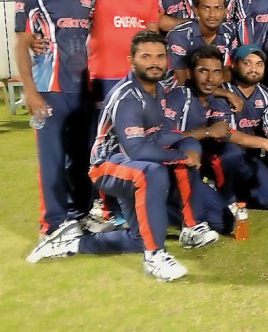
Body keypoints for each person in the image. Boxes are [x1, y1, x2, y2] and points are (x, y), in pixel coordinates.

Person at [27, 31, 216, 281]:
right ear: (131, 60)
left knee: (139, 235)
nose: (154, 62)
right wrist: (181, 156)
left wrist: (189, 144)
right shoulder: (128, 96)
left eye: (160, 56)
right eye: (146, 56)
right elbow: (136, 150)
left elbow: (158, 136)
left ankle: (71, 243)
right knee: (157, 170)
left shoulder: (157, 89)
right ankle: (155, 256)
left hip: (133, 165)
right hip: (107, 166)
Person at [16, 0, 96, 238]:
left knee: (83, 157)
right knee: (51, 159)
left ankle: (80, 215)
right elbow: (21, 44)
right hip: (49, 88)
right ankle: (52, 224)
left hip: (84, 91)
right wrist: (31, 91)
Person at [79, 0, 161, 120]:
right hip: (102, 76)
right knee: (99, 138)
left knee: (136, 136)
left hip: (138, 77)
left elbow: (152, 37)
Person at [162, 46, 239, 234]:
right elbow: (163, 137)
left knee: (225, 224)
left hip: (194, 173)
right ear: (189, 73)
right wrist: (206, 132)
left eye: (216, 72)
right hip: (167, 170)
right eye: (203, 71)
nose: (210, 78)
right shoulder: (179, 96)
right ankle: (147, 205)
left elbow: (226, 133)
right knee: (190, 144)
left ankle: (162, 209)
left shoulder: (214, 100)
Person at [221, 45, 268, 211]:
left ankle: (240, 193)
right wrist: (265, 143)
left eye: (259, 64)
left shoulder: (267, 95)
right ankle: (224, 194)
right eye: (248, 63)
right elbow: (226, 135)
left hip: (251, 157)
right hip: (222, 155)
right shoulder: (224, 93)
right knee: (232, 152)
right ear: (235, 65)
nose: (254, 69)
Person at [165, 0, 238, 85]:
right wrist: (224, 93)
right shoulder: (179, 35)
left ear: (225, 12)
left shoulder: (229, 32)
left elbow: (226, 71)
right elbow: (182, 80)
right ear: (196, 11)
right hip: (177, 92)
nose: (212, 14)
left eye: (218, 8)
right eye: (206, 8)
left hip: (211, 89)